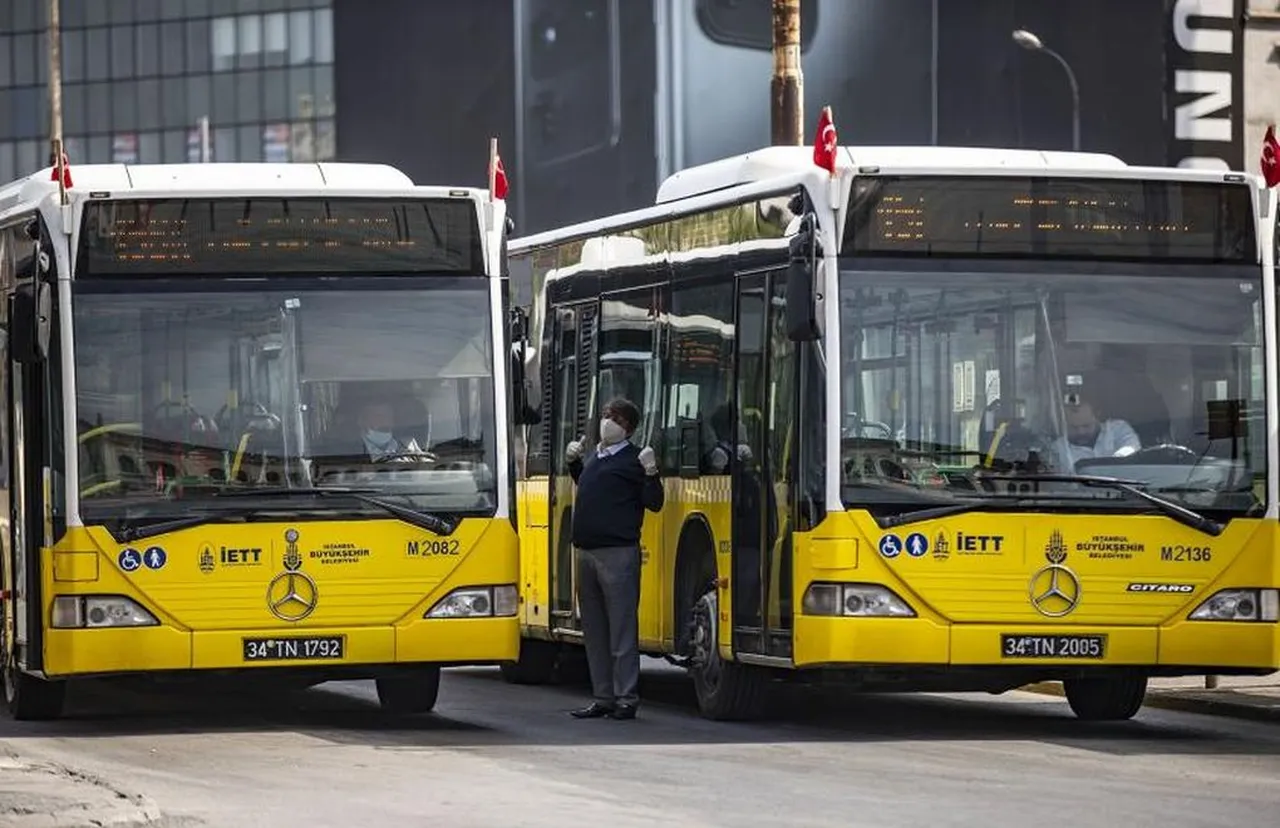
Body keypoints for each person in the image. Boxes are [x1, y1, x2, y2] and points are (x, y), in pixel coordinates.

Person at [566, 397, 664, 721]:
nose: (608, 422)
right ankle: (603, 697)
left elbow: (654, 502)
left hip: (618, 554)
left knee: (621, 629)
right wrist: (574, 464)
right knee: (595, 631)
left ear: (629, 428)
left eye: (617, 419)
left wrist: (651, 472)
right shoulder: (597, 456)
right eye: (607, 415)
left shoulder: (634, 459)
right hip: (586, 552)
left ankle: (626, 698)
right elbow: (592, 487)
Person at [1053, 395, 1140, 471]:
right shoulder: (1058, 450)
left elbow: (1132, 448)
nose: (1081, 432)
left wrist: (1114, 461)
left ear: (1098, 416)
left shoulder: (1118, 429)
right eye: (1074, 427)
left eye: (1086, 426)